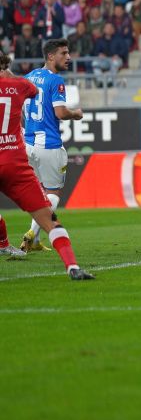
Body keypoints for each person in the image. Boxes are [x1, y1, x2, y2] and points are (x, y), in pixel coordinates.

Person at [0, 53, 93, 278]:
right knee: (50, 219)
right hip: (14, 163)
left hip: (27, 149)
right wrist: (8, 73)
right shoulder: (20, 84)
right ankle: (72, 267)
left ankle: (4, 244)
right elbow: (31, 90)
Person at [18, 38, 84, 253]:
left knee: (39, 194)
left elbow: (20, 111)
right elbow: (61, 112)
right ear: (50, 56)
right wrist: (76, 114)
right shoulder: (56, 80)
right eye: (63, 53)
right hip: (49, 145)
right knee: (53, 192)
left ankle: (35, 241)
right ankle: (32, 233)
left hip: (28, 145)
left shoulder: (28, 77)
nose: (68, 57)